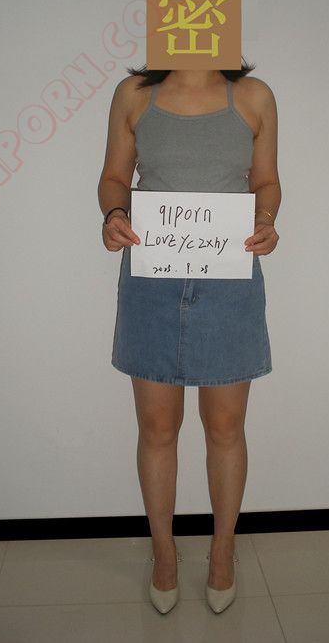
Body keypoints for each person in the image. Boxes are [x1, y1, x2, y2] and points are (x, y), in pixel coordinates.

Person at [97, 61, 281, 614]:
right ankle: (164, 554)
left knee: (225, 427)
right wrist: (114, 213)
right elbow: (113, 176)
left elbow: (266, 181)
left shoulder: (253, 96)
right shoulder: (134, 94)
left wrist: (265, 219)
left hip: (229, 277)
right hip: (151, 277)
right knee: (157, 427)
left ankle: (223, 552)